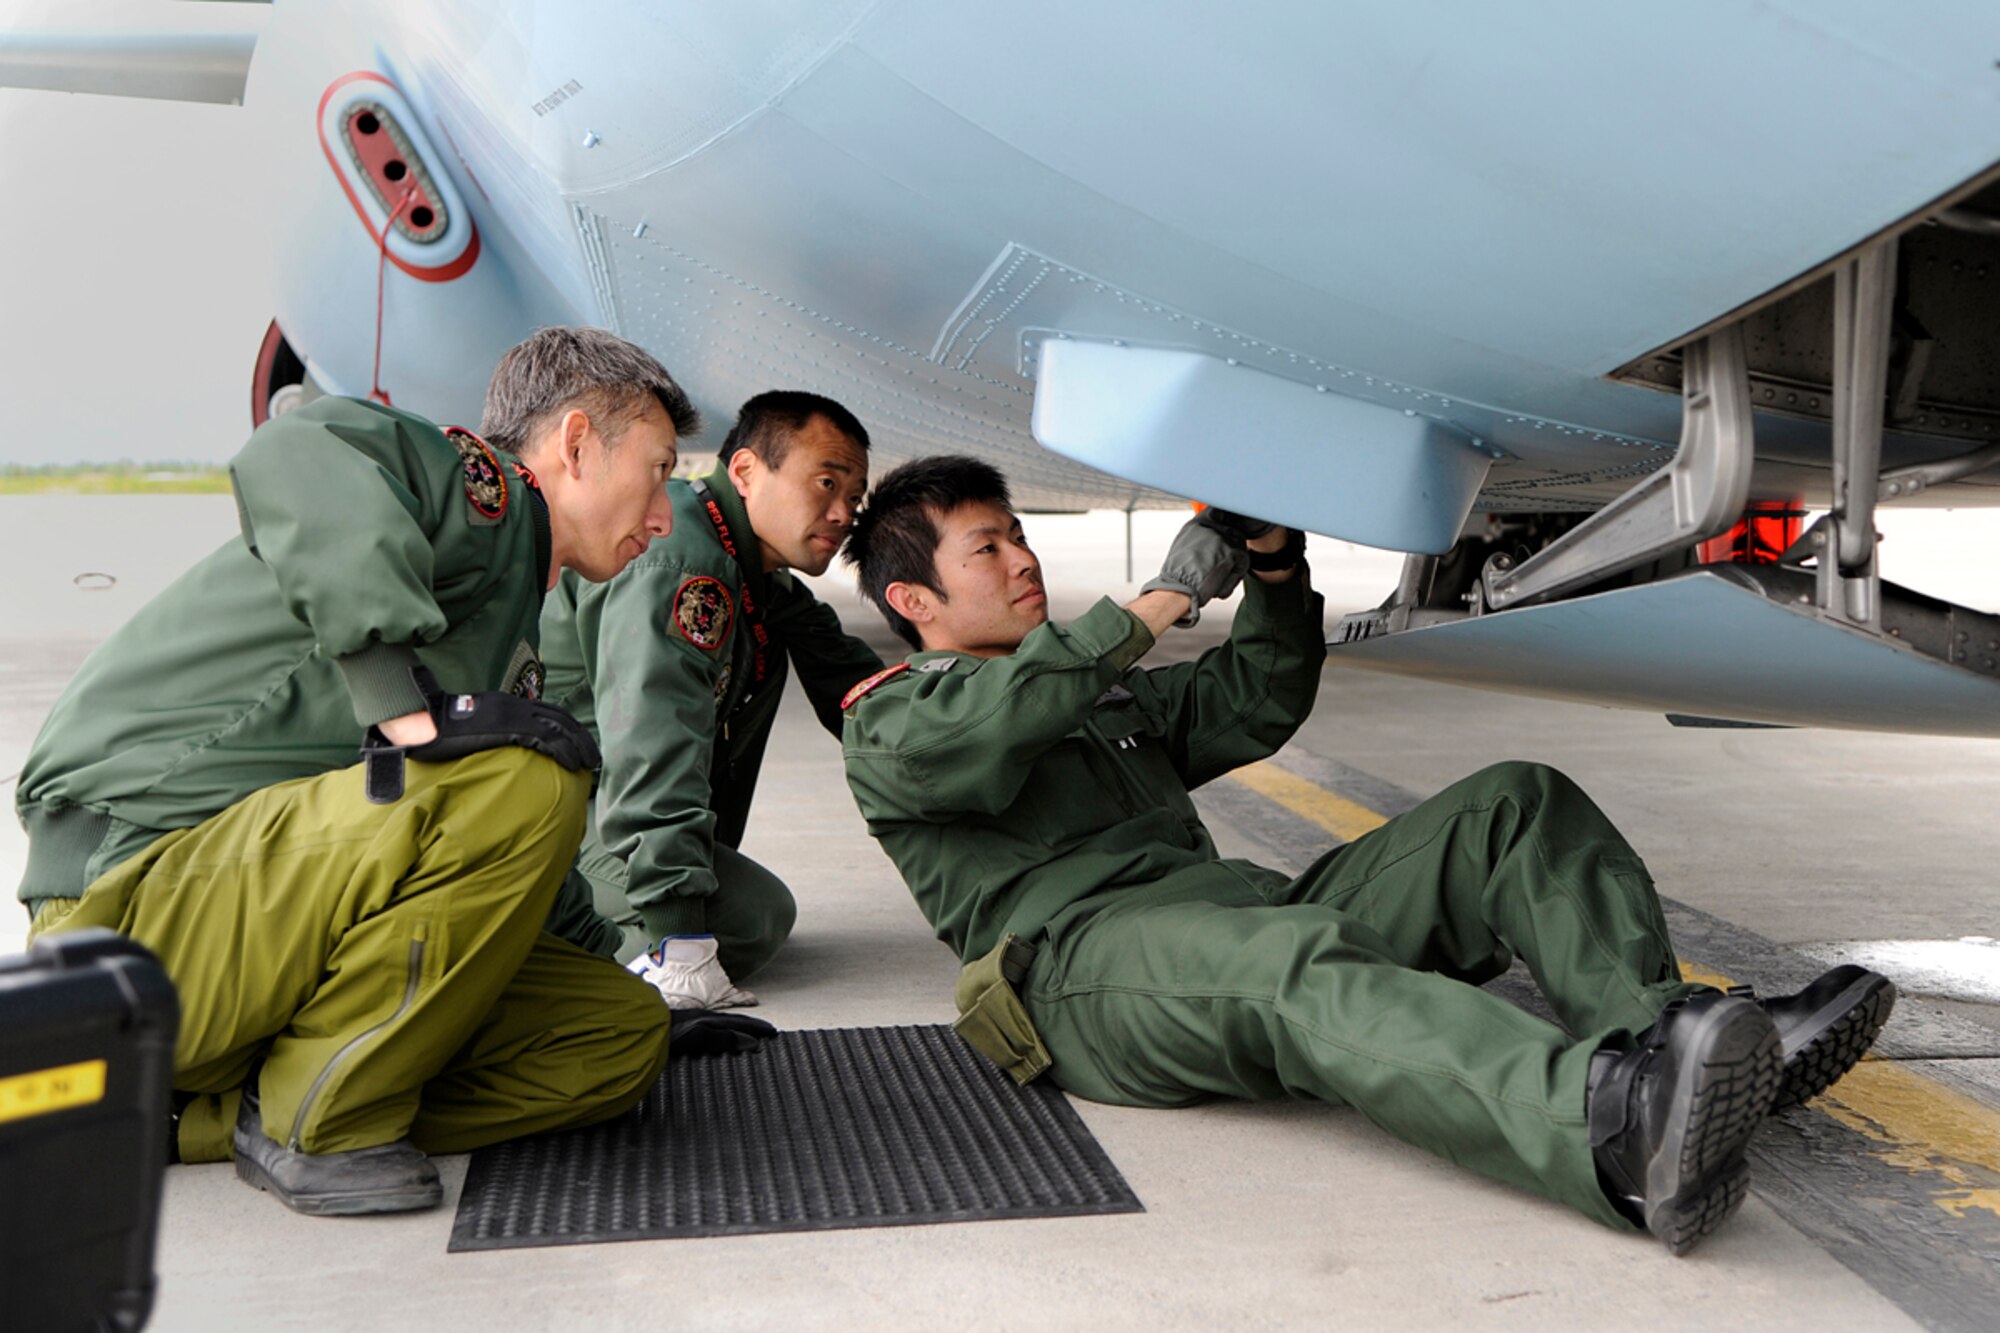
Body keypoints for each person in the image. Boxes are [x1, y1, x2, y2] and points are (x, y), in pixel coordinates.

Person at [837, 455, 1896, 1254]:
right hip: (1081, 975)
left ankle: (1658, 1036)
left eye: (1018, 533)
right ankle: (1610, 1129)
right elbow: (996, 723)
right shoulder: (892, 721)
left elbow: (1251, 699)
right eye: (987, 547)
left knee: (1511, 807)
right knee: (1288, 968)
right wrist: (1159, 598)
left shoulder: (1084, 686)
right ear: (912, 602)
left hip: (1229, 914)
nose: (1021, 556)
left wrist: (1270, 564)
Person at [14, 327, 769, 1218]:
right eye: (654, 471)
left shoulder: (511, 606)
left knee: (610, 1037)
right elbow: (299, 446)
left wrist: (628, 973)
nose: (661, 512)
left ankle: (201, 1114)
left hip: (254, 933)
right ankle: (317, 1121)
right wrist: (398, 698)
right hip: (130, 905)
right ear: (573, 446)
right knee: (527, 776)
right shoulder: (480, 493)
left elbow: (505, 866)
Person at [541, 391, 882, 1006]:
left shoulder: (748, 568)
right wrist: (680, 939)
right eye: (825, 483)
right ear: (747, 472)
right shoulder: (681, 563)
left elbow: (857, 689)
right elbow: (652, 748)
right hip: (551, 815)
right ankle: (519, 947)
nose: (841, 514)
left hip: (593, 809)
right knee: (750, 917)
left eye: (853, 499)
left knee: (745, 912)